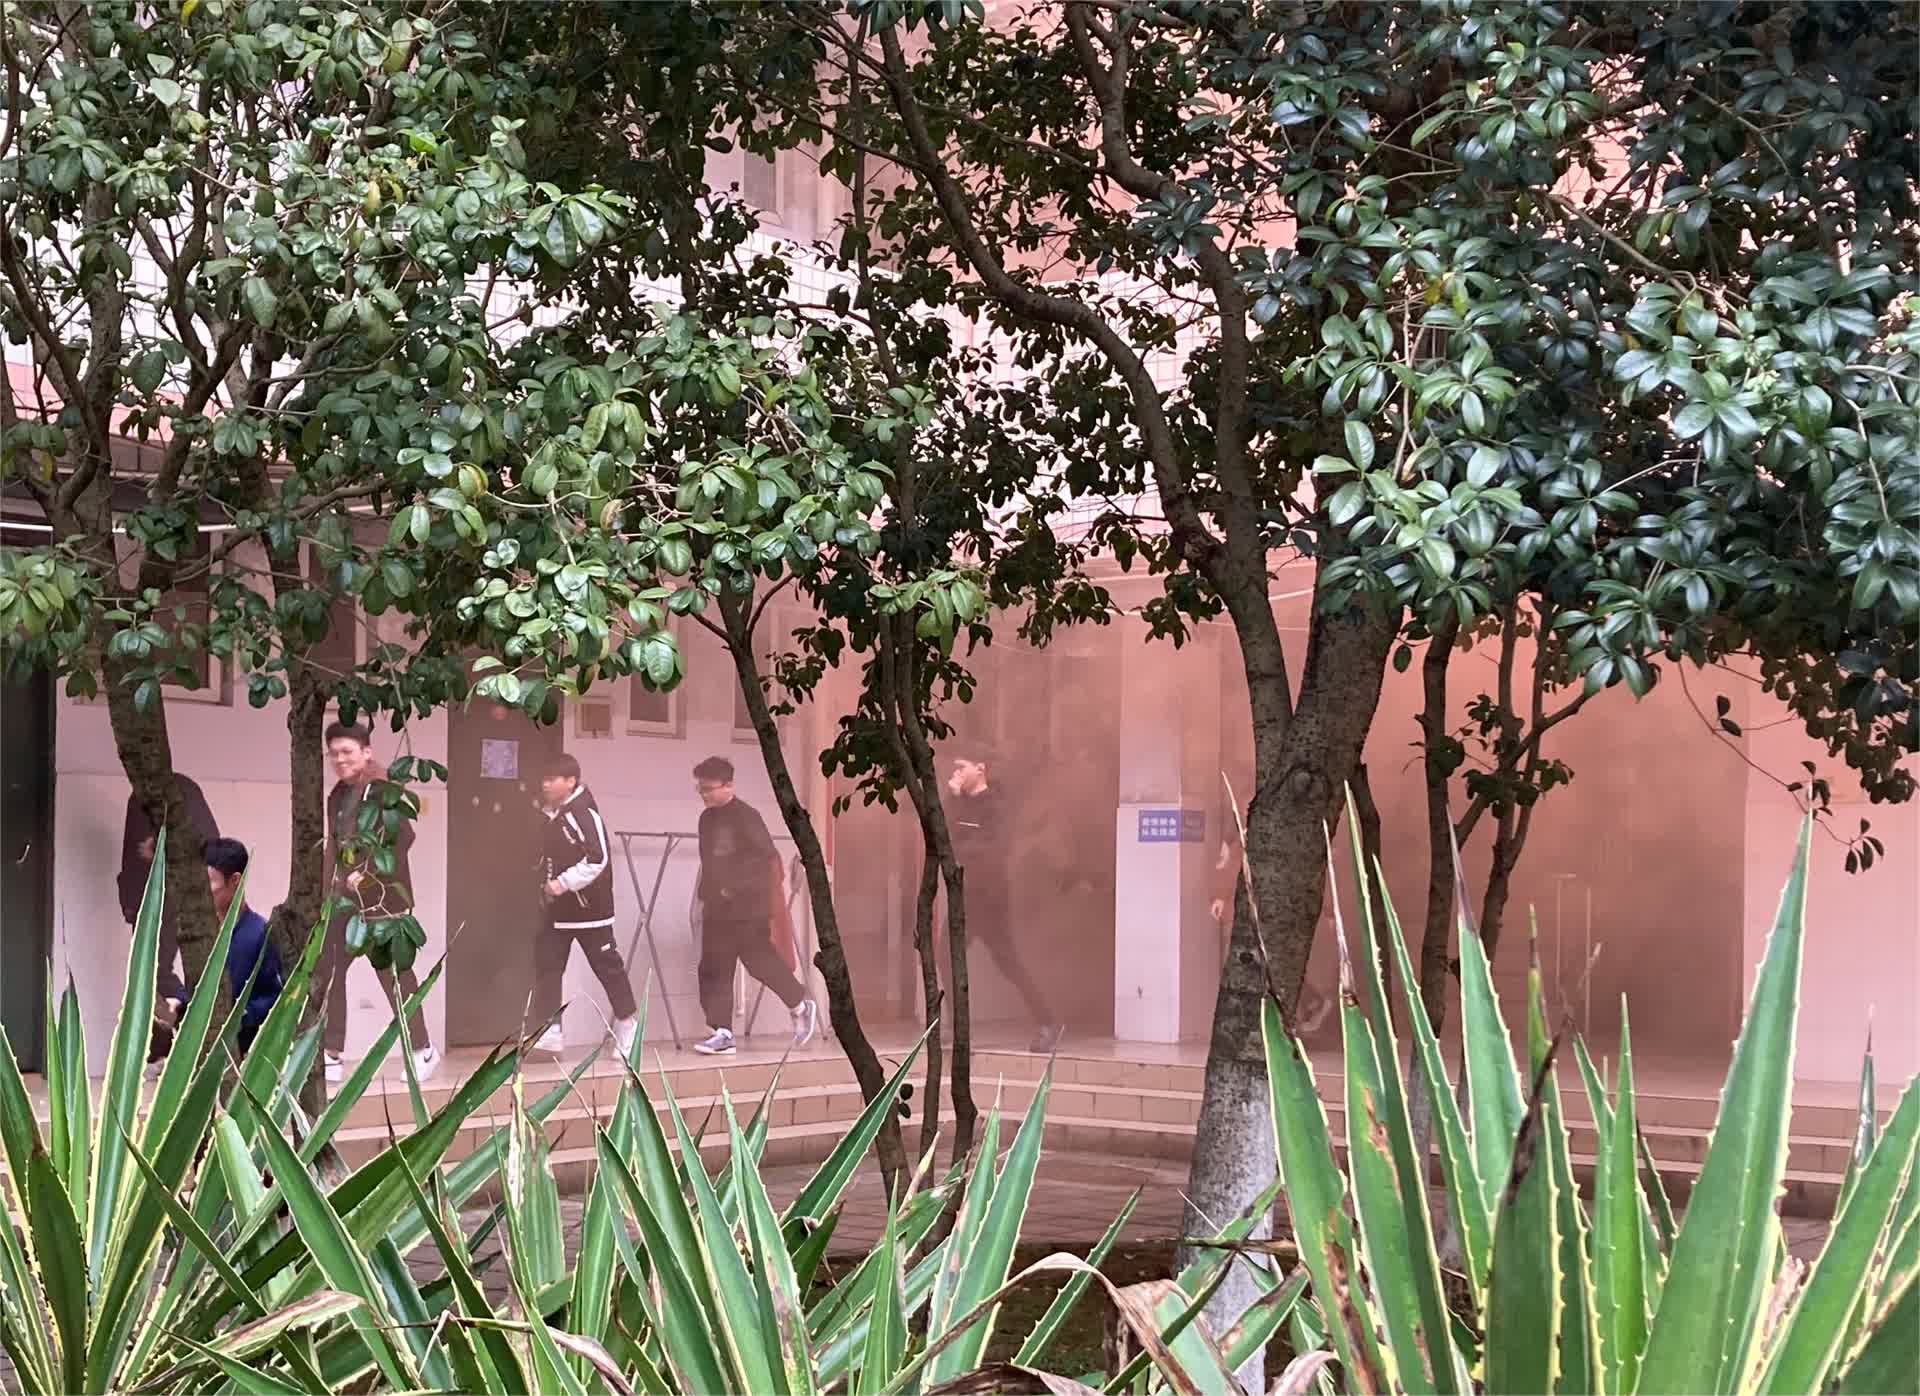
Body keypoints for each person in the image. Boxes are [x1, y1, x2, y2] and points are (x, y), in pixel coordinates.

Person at [321, 722, 438, 1082]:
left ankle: (423, 1049)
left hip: (383, 900)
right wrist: (328, 887)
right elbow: (334, 844)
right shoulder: (338, 794)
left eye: (347, 752)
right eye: (334, 753)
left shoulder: (385, 790)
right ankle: (331, 1052)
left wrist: (369, 873)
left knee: (395, 976)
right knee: (328, 969)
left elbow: (403, 837)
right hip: (343, 900)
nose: (340, 759)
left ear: (366, 752)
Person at [691, 755, 816, 1056]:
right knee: (713, 967)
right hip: (717, 908)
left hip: (747, 908)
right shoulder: (706, 820)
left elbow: (766, 860)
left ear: (729, 785)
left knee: (759, 961)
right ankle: (722, 1032)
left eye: (709, 789)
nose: (704, 795)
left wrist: (733, 887)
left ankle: (800, 1003)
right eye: (700, 789)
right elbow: (709, 862)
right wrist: (708, 894)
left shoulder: (747, 817)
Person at [945, 750, 1063, 1054]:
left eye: (962, 766)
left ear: (980, 768)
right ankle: (958, 1031)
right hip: (965, 894)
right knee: (947, 954)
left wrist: (963, 846)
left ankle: (1048, 1022)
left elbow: (988, 847)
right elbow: (944, 837)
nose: (957, 773)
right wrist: (953, 799)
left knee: (1007, 962)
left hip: (989, 896)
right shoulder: (958, 803)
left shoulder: (996, 805)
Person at [531, 753, 640, 1057]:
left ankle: (628, 1023)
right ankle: (551, 1030)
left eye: (552, 779)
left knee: (607, 968)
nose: (545, 784)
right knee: (548, 966)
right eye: (544, 779)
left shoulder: (583, 812)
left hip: (590, 911)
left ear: (571, 781)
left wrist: (562, 883)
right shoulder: (552, 814)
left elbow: (597, 858)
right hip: (558, 911)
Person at [1208, 788, 1331, 1036]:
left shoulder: (1279, 839)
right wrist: (1220, 896)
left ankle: (1305, 1004)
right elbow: (1228, 869)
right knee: (1260, 965)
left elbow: (1305, 875)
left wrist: (1325, 910)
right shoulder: (1239, 841)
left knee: (1268, 964)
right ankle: (1302, 1006)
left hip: (1272, 913)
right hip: (1253, 913)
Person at [119, 773, 220, 1064]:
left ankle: (185, 1035)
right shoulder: (139, 798)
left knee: (159, 972)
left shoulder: (183, 791)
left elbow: (208, 845)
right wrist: (129, 900)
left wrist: (160, 850)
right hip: (147, 902)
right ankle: (162, 1048)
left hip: (177, 899)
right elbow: (130, 855)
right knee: (148, 974)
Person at [155, 838, 284, 1059]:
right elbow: (199, 985)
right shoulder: (201, 934)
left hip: (246, 1057)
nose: (201, 890)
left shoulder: (261, 934)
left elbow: (276, 997)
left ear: (235, 880)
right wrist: (177, 1003)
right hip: (203, 1054)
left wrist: (243, 1015)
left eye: (209, 882)